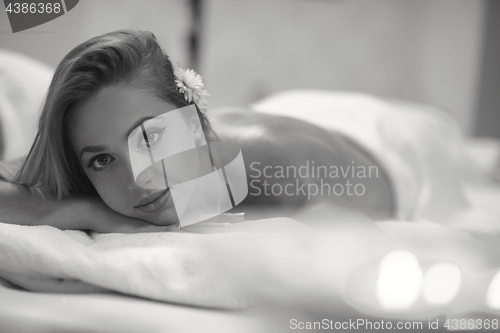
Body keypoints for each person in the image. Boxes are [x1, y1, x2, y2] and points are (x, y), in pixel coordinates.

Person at [0, 30, 417, 233]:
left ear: (194, 118)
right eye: (102, 160)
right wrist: (84, 210)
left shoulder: (279, 173)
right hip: (258, 119)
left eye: (149, 137)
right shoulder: (112, 169)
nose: (137, 179)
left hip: (385, 135)